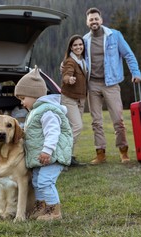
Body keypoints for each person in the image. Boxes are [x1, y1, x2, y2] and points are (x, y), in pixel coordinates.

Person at [84, 7, 141, 164]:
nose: (94, 21)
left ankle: (123, 151)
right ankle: (100, 153)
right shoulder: (84, 40)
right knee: (96, 121)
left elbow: (128, 54)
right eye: (91, 19)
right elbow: (76, 59)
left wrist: (136, 73)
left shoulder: (114, 36)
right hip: (92, 84)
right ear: (87, 22)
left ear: (101, 20)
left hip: (111, 84)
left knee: (118, 120)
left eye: (96, 19)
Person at [14, 66, 73, 221]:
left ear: (33, 95)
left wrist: (47, 150)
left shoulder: (47, 111)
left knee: (46, 182)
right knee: (37, 182)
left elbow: (53, 133)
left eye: (22, 98)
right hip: (42, 158)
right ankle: (41, 208)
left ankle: (54, 211)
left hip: (51, 156)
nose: (22, 103)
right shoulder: (35, 112)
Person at [61, 35, 88, 167]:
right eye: (75, 45)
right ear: (71, 47)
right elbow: (67, 73)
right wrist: (69, 79)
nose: (78, 47)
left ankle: (69, 157)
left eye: (80, 44)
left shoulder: (82, 60)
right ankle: (64, 155)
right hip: (69, 98)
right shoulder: (70, 61)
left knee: (72, 128)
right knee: (78, 126)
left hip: (80, 99)